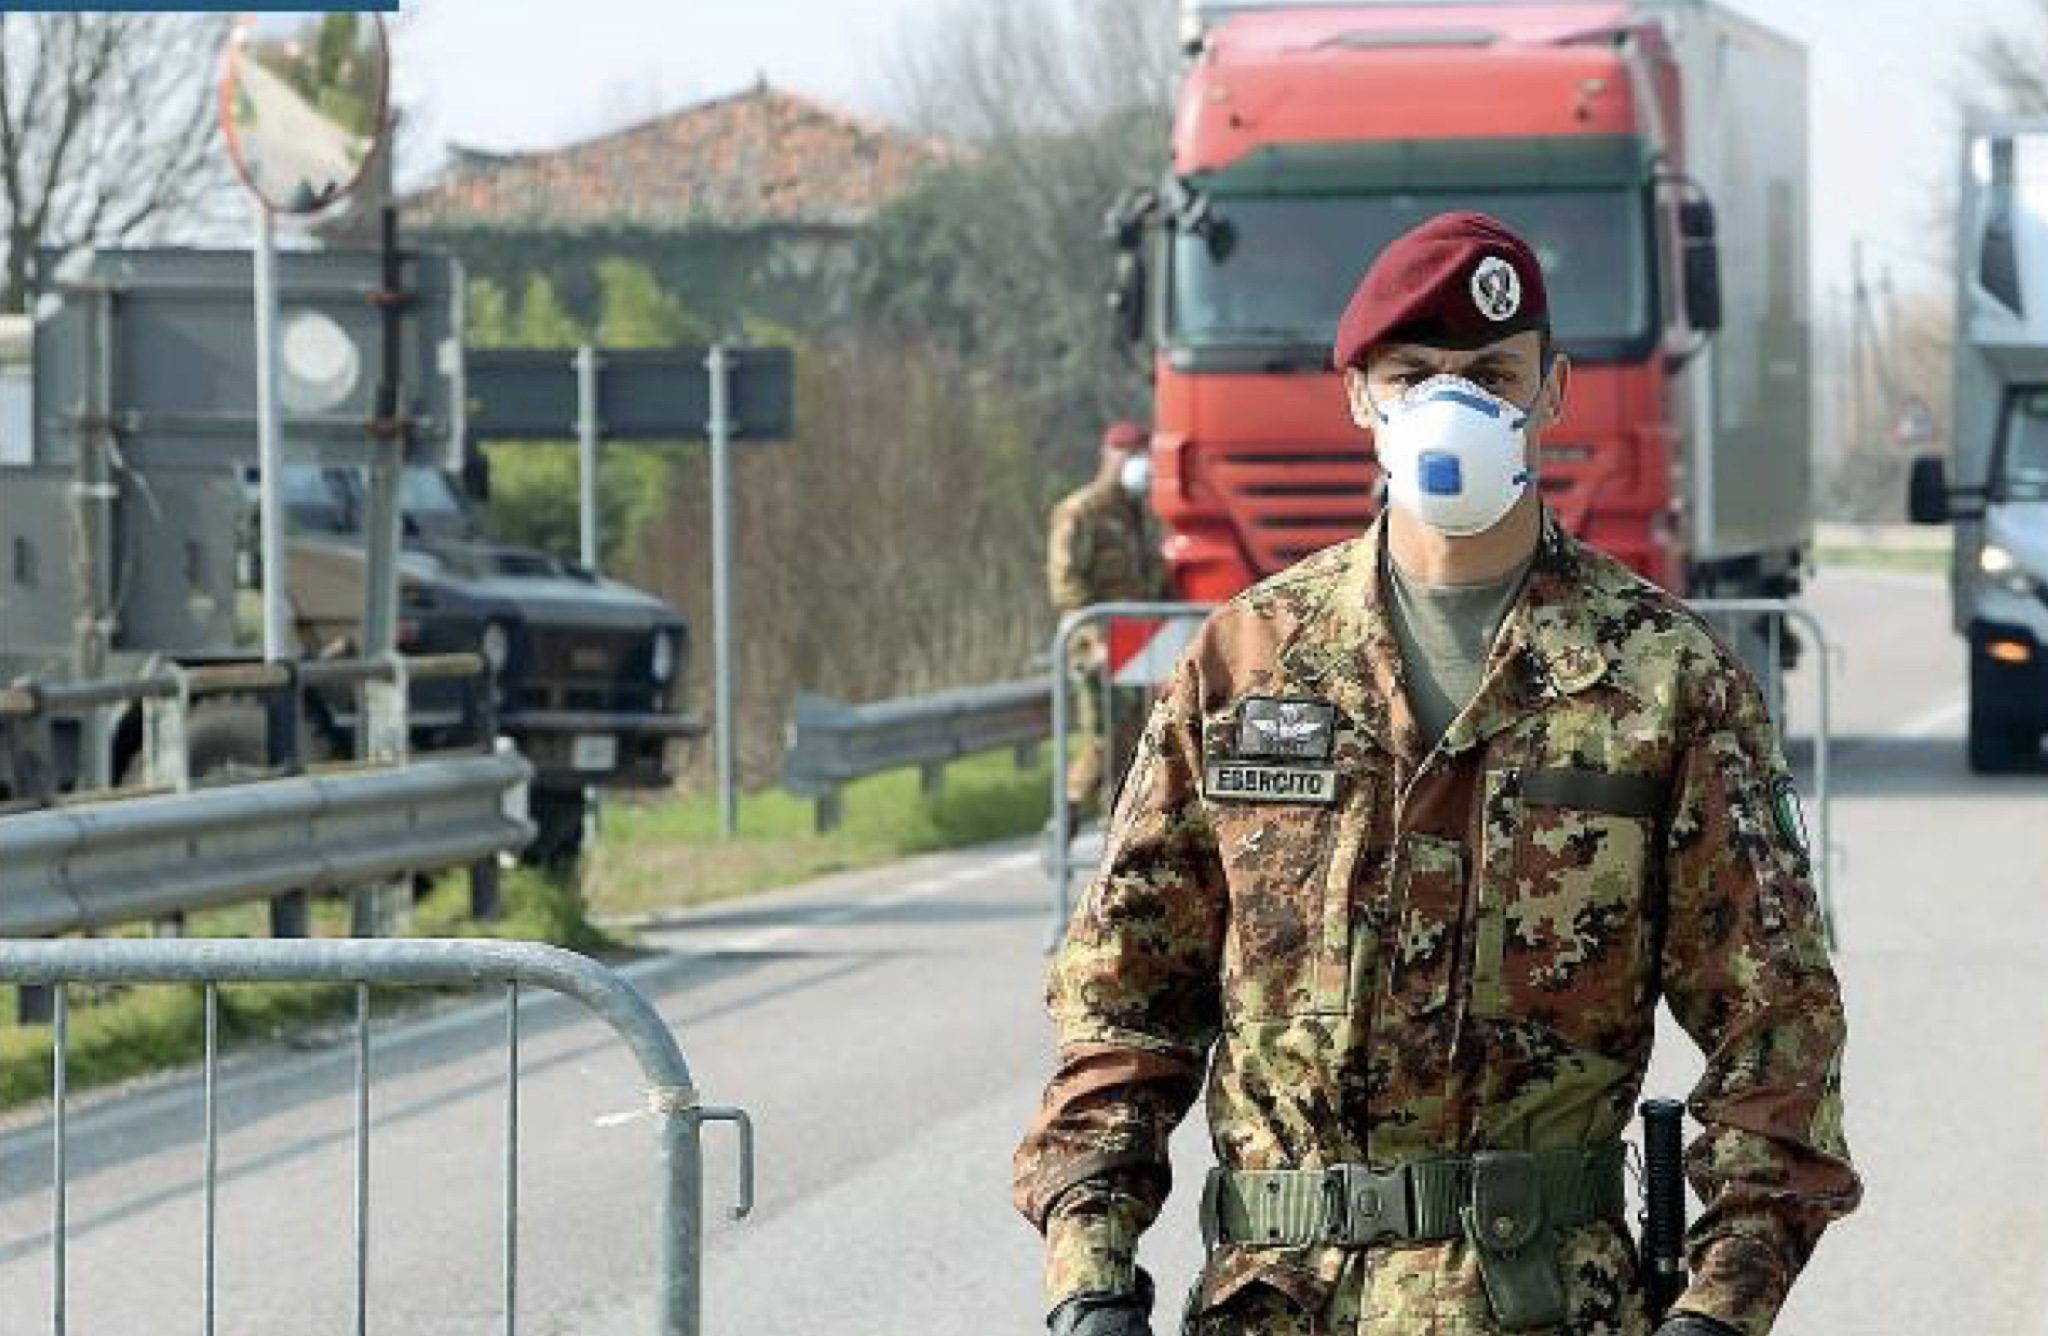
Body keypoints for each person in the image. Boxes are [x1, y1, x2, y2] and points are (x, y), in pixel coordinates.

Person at [1013, 213, 1859, 1336]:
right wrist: (1091, 1274)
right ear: (1358, 395)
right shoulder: (1244, 664)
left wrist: (1718, 1307)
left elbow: (1777, 1027)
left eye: (1490, 375)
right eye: (1412, 375)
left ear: (1550, 393)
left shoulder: (1665, 681)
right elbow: (1119, 999)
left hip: (1546, 1304)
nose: (1451, 406)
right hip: (1276, 1304)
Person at [1048, 421, 1171, 823]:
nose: (1140, 465)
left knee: (1137, 739)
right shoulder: (1080, 511)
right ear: (1110, 455)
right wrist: (1094, 638)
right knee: (1104, 739)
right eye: (1131, 454)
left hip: (1140, 644)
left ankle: (1115, 829)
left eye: (1143, 455)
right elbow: (1066, 585)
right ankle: (1066, 816)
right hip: (1098, 643)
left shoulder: (1138, 515)